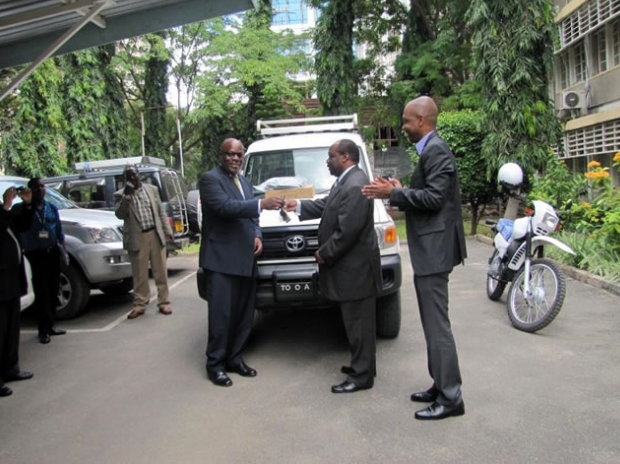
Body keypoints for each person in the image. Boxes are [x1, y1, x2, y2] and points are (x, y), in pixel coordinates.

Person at [362, 96, 467, 420]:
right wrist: (400, 188)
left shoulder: (437, 151)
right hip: (430, 252)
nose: (403, 127)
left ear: (421, 121)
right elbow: (428, 196)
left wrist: (392, 194)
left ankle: (451, 398)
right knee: (432, 326)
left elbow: (435, 198)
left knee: (437, 328)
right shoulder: (429, 150)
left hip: (435, 253)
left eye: (406, 121)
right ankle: (441, 384)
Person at [284, 139, 382, 394]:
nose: (327, 161)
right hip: (352, 269)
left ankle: (361, 377)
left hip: (356, 270)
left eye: (331, 156)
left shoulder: (356, 185)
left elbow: (347, 231)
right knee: (356, 323)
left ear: (346, 157)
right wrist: (300, 205)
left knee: (359, 324)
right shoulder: (348, 181)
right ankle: (363, 367)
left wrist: (324, 253)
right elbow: (328, 205)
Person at [198, 138, 285, 387]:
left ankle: (234, 358)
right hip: (222, 261)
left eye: (238, 155)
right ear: (221, 155)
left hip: (246, 259)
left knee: (244, 316)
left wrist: (257, 235)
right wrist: (261, 203)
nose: (235, 159)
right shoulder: (210, 179)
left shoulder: (245, 182)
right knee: (222, 316)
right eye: (230, 154)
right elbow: (225, 207)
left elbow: (251, 217)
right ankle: (215, 365)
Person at [12, 178, 67, 345]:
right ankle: (43, 330)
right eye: (37, 187)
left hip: (52, 252)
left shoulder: (51, 208)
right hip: (35, 254)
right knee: (41, 292)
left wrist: (63, 251)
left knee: (52, 290)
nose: (41, 189)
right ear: (30, 190)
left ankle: (50, 326)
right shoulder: (20, 209)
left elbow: (58, 231)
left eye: (43, 186)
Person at [115, 166, 174, 320]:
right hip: (137, 237)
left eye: (134, 174)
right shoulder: (120, 195)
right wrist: (127, 196)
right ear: (126, 179)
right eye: (129, 176)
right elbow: (120, 214)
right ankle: (140, 304)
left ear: (139, 175)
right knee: (140, 274)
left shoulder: (151, 189)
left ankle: (164, 302)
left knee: (160, 270)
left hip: (154, 233)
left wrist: (168, 230)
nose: (133, 178)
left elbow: (160, 211)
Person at [0, 187, 35, 396]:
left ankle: (10, 369)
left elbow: (21, 226)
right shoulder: (0, 213)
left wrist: (28, 205)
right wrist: (5, 207)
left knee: (12, 330)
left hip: (10, 281)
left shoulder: (1, 213)